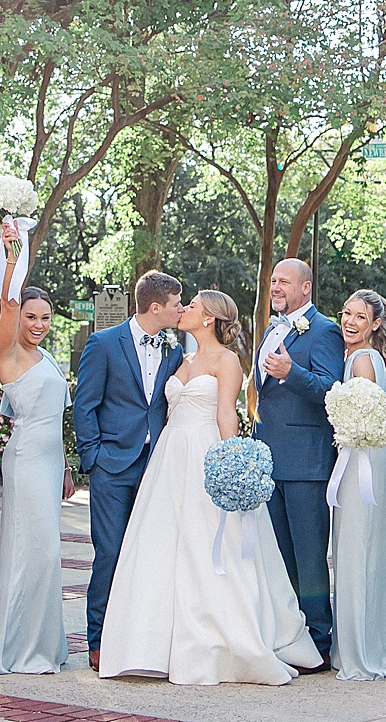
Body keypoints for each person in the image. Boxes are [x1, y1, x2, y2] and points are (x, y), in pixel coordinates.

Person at [100, 290, 320, 684]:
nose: (184, 309)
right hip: (169, 458)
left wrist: (230, 466)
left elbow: (226, 415)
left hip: (206, 453)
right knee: (162, 547)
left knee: (213, 547)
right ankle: (152, 645)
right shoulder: (179, 358)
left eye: (193, 306)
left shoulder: (227, 360)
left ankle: (224, 638)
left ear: (209, 319)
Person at [73, 270, 183, 669]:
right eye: (176, 304)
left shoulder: (174, 348)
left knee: (148, 555)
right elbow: (84, 405)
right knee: (110, 553)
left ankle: (139, 640)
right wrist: (95, 458)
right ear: (155, 307)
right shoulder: (103, 343)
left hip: (157, 467)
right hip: (113, 467)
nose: (181, 309)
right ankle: (99, 640)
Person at [0, 225, 72, 673]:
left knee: (47, 553)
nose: (38, 324)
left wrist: (66, 466)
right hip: (26, 461)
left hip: (50, 461)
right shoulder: (8, 354)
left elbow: (56, 417)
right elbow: (7, 302)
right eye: (31, 316)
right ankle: (19, 649)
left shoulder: (47, 358)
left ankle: (44, 644)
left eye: (45, 318)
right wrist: (13, 252)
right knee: (33, 551)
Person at [253, 256, 347, 669]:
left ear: (305, 288)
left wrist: (292, 372)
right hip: (270, 457)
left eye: (284, 282)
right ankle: (289, 636)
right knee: (279, 556)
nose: (276, 287)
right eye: (273, 280)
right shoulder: (271, 330)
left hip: (307, 461)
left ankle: (319, 641)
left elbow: (331, 388)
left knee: (309, 557)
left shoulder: (324, 330)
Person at [329, 289, 386, 679]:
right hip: (362, 456)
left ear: (375, 324)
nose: (350, 321)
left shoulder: (361, 360)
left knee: (357, 550)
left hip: (360, 459)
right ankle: (370, 643)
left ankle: (361, 651)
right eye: (347, 313)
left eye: (360, 317)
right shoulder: (362, 355)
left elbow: (362, 417)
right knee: (363, 549)